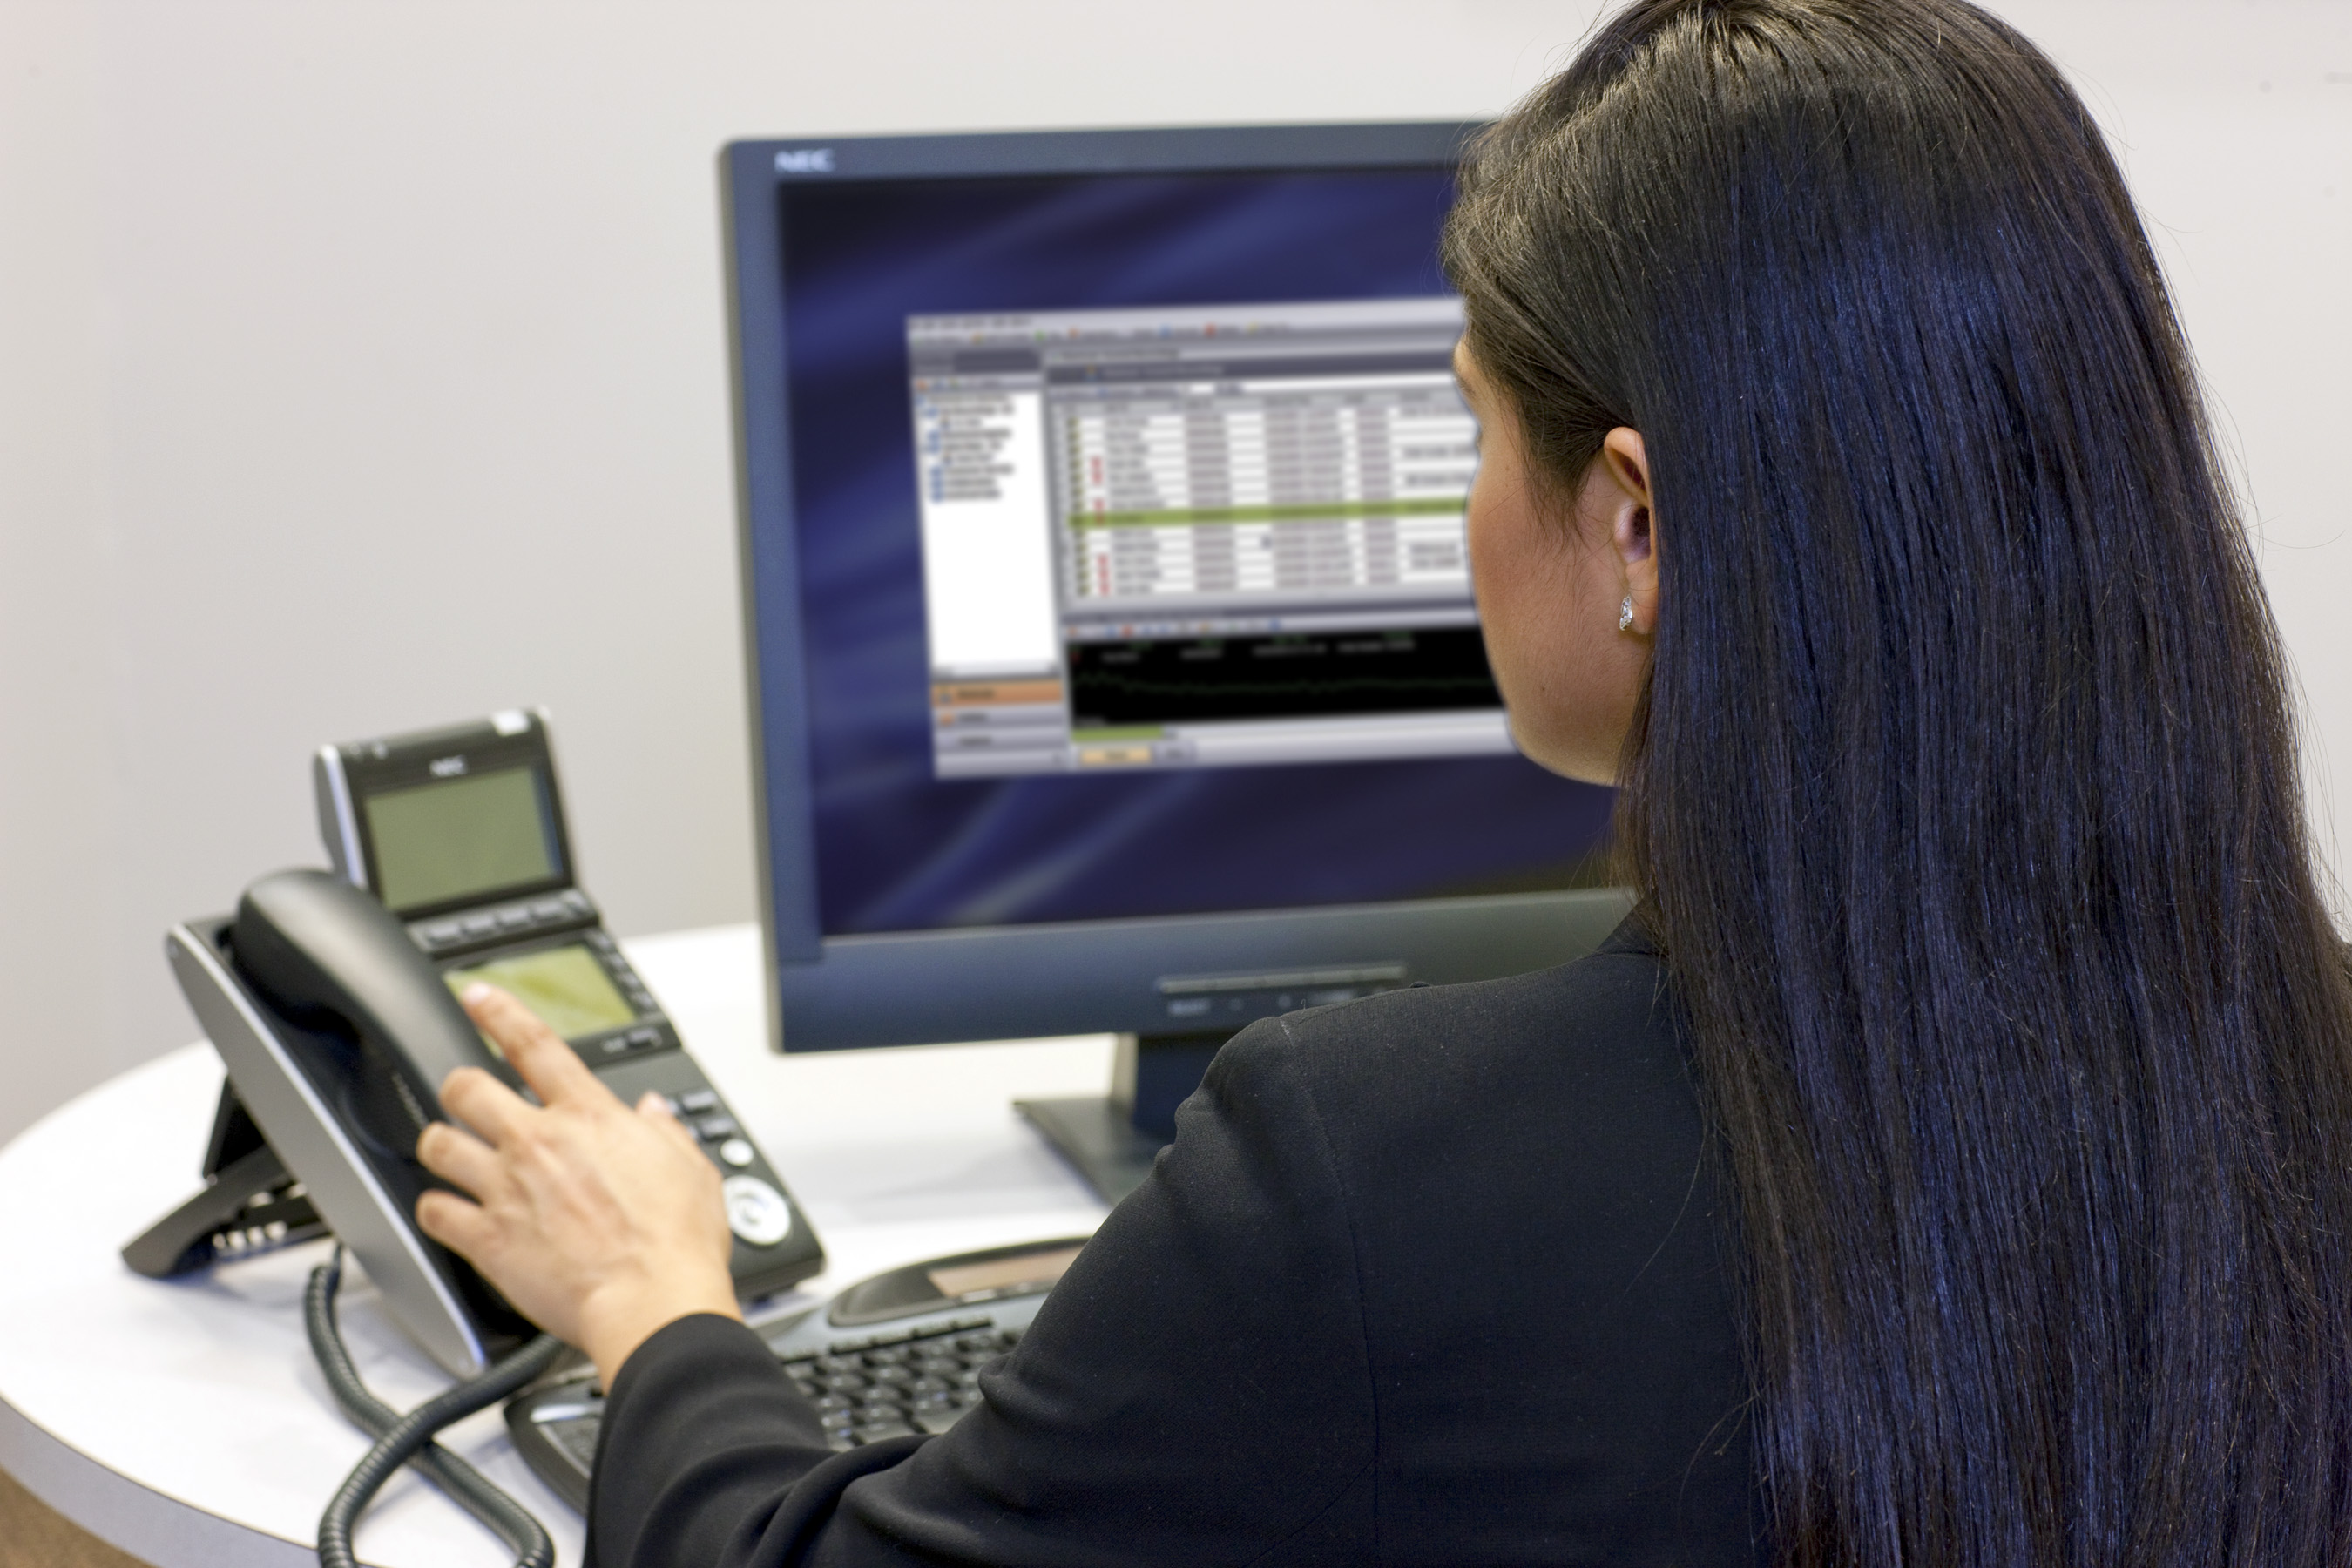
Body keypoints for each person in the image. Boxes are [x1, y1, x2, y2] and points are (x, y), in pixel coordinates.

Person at [413, 1, 2352, 1562]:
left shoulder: (1360, 1177)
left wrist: (658, 1305)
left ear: (1637, 523)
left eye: (1471, 428)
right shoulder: (2299, 1075)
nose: (1464, 517)